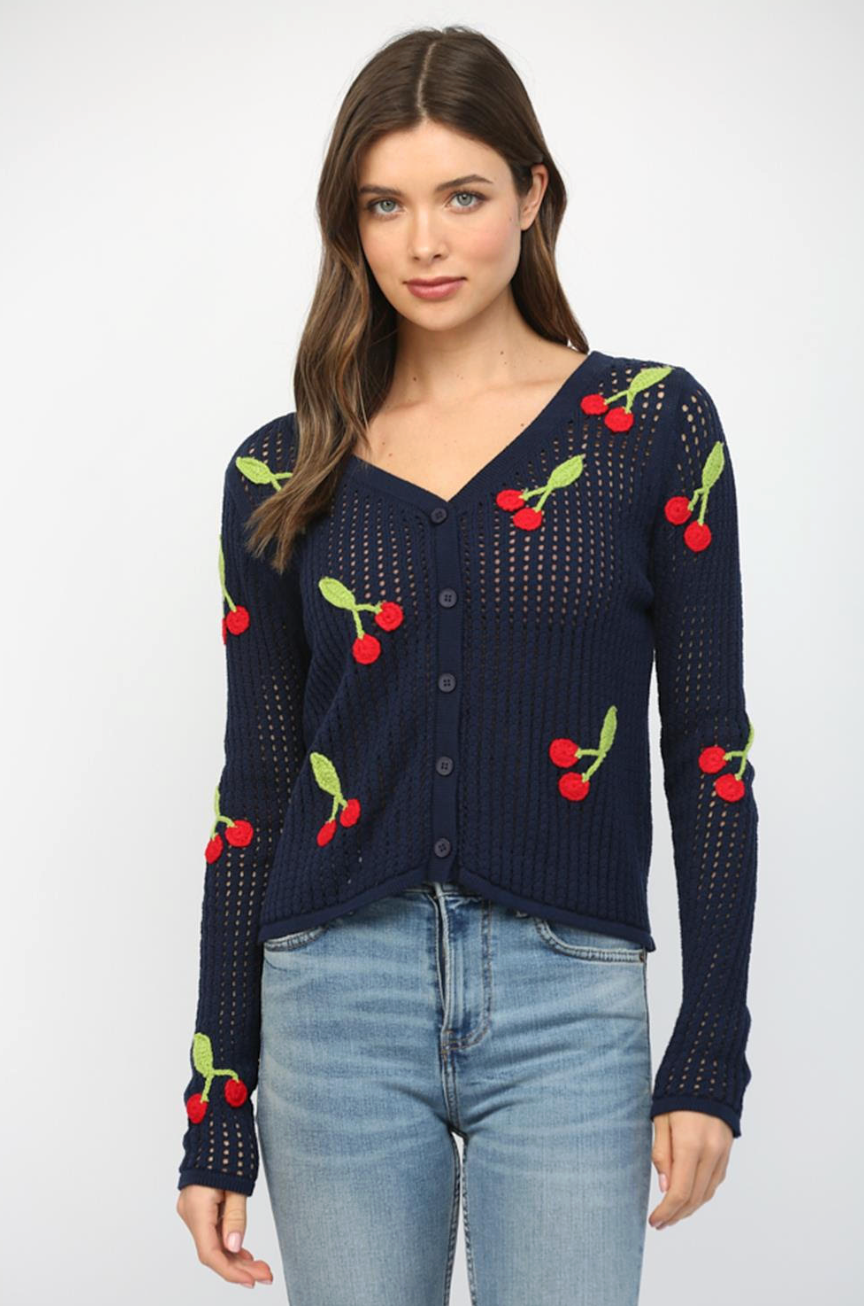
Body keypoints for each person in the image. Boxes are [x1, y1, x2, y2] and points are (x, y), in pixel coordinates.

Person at [175, 24, 759, 1304]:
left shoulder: (651, 427)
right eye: (385, 204)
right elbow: (254, 794)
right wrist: (217, 1100)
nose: (424, 243)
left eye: (463, 196)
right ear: (351, 223)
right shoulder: (281, 470)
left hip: (569, 1005)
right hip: (334, 1005)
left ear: (533, 194)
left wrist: (710, 1047)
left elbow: (712, 756)